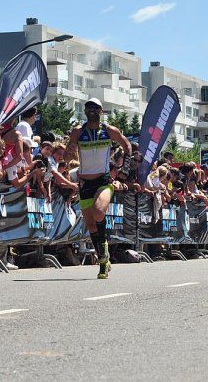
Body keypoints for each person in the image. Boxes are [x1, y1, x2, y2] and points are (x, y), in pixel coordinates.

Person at [65, 97, 131, 279]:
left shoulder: (110, 131)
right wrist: (67, 154)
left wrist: (124, 169)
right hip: (85, 182)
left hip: (103, 180)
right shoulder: (78, 131)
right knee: (91, 225)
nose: (91, 110)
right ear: (85, 111)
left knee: (99, 210)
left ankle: (103, 258)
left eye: (95, 108)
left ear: (101, 111)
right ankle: (103, 258)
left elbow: (127, 145)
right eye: (88, 107)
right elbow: (67, 154)